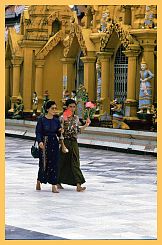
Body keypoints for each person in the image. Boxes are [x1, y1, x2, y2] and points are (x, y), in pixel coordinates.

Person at [58, 99, 90, 192]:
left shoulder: (76, 118)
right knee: (62, 162)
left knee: (75, 162)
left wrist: (86, 125)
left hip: (74, 142)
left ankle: (78, 184)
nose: (72, 108)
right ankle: (57, 181)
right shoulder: (62, 118)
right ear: (66, 107)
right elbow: (60, 133)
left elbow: (77, 131)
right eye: (70, 107)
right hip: (65, 141)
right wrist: (62, 144)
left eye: (74, 107)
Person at [35, 100, 63, 193]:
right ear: (47, 109)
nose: (54, 110)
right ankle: (39, 180)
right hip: (44, 142)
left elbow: (58, 134)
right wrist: (40, 142)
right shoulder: (42, 119)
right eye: (52, 108)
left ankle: (53, 185)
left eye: (55, 108)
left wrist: (60, 131)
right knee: (43, 163)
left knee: (54, 163)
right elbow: (38, 132)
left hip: (54, 143)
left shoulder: (56, 120)